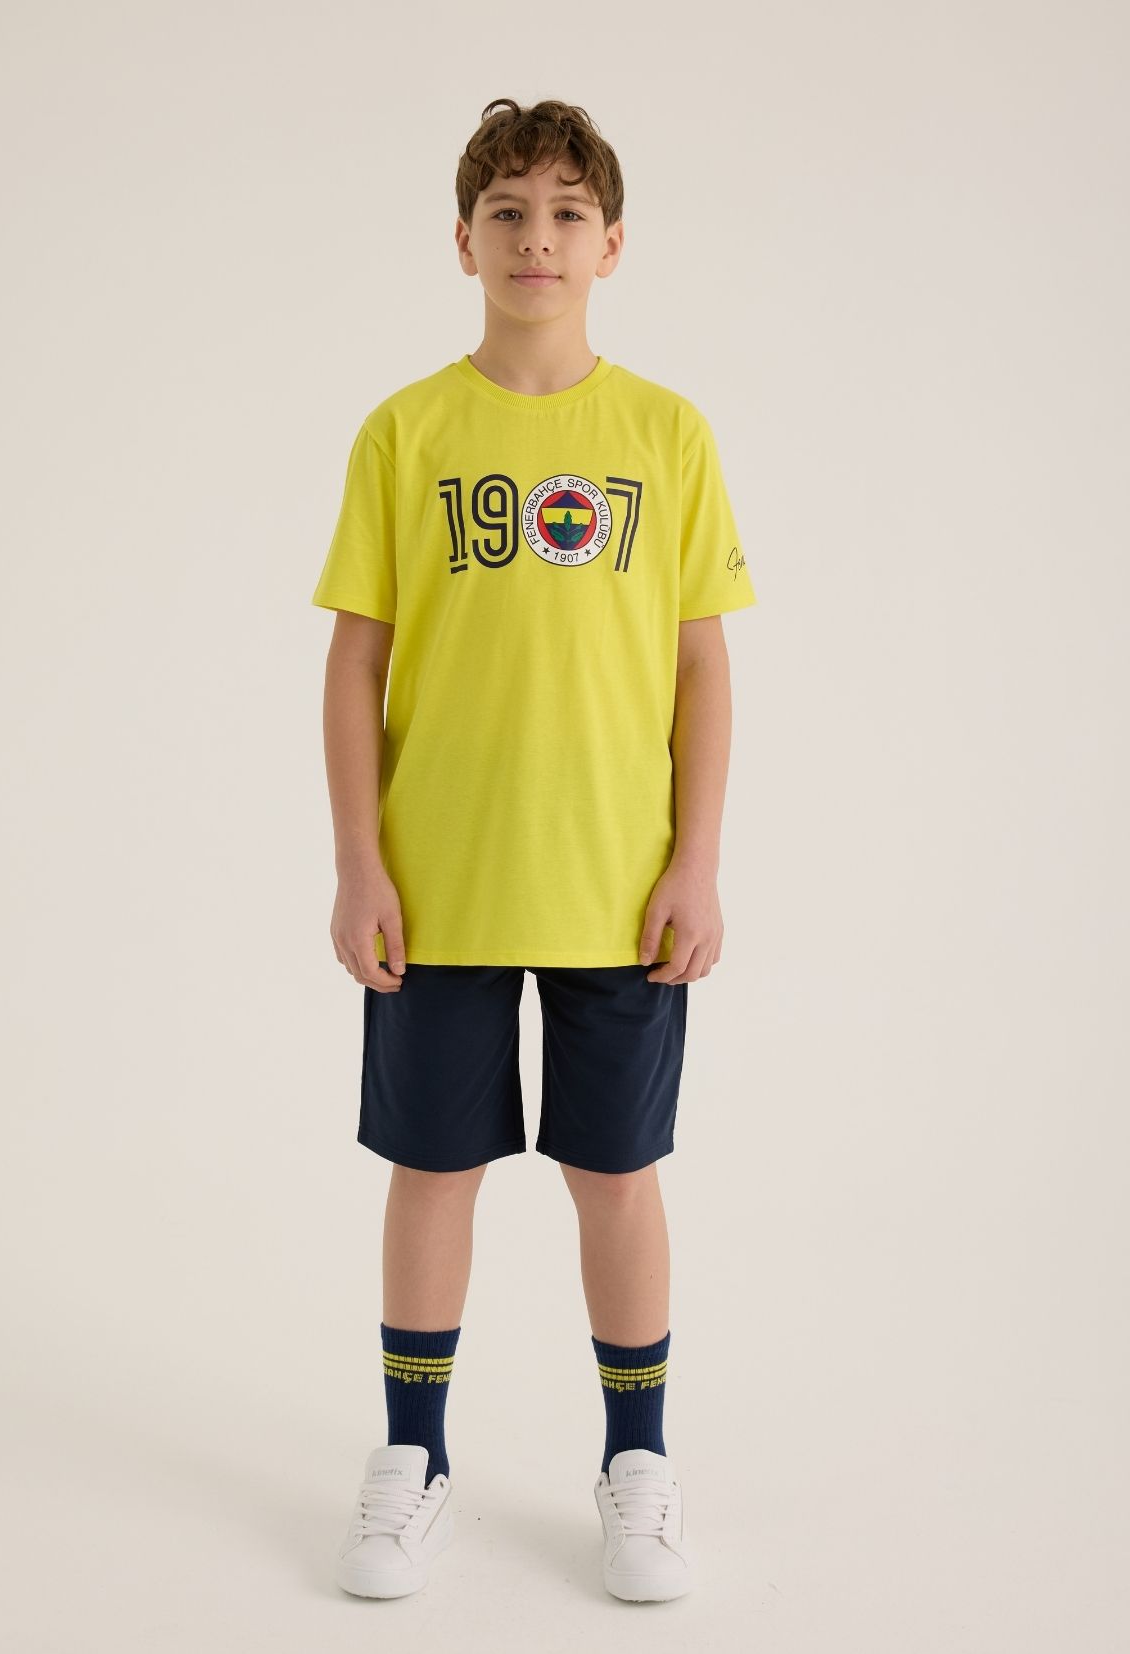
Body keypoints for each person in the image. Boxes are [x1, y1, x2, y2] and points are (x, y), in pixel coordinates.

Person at [313, 96, 757, 1602]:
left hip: (616, 886)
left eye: (568, 213)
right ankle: (412, 1458)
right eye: (507, 212)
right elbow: (355, 660)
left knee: (614, 1172)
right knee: (432, 1167)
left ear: (611, 245)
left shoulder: (666, 434)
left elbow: (701, 662)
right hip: (436, 885)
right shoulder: (407, 431)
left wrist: (696, 861)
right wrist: (358, 862)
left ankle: (637, 1464)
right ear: (464, 241)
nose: (537, 238)